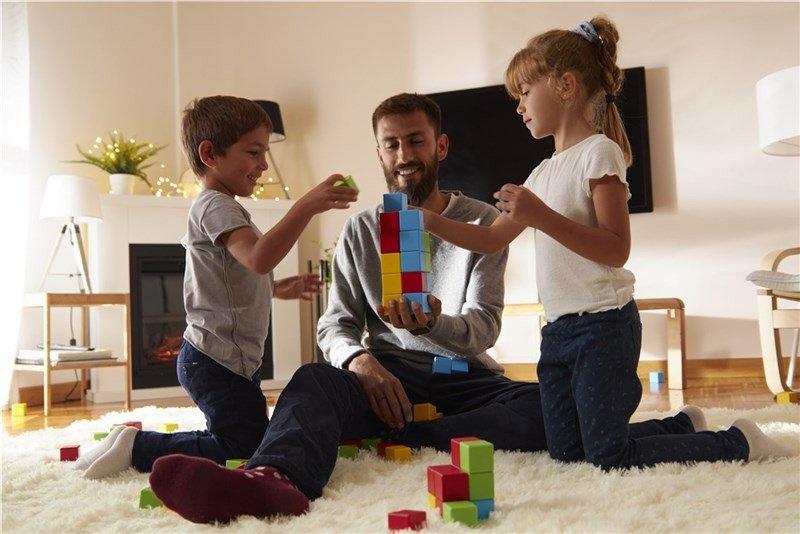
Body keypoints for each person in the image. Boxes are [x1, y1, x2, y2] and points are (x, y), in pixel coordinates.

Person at [146, 93, 709, 524]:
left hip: (461, 376)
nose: (403, 155)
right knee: (314, 382)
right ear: (379, 154)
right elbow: (335, 325)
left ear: (439, 148)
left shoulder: (485, 223)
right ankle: (275, 478)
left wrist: (435, 323)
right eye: (391, 144)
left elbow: (484, 329)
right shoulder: (363, 228)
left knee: (544, 407)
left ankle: (417, 437)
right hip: (385, 378)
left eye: (415, 141)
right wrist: (361, 363)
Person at [421, 17, 795, 470]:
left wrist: (540, 215)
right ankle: (678, 426)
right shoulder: (541, 172)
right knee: (568, 452)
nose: (518, 106)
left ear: (565, 85)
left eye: (523, 91)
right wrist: (428, 221)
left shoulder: (600, 152)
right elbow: (489, 238)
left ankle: (737, 442)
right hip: (557, 331)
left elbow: (616, 248)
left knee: (608, 458)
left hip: (603, 326)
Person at [75, 95, 358, 480]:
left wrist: (279, 286)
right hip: (217, 360)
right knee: (242, 446)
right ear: (210, 153)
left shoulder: (220, 207)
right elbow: (258, 257)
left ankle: (124, 440)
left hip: (225, 359)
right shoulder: (216, 205)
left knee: (243, 437)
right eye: (254, 151)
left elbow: (234, 275)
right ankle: (138, 447)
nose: (262, 164)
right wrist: (305, 205)